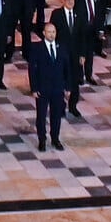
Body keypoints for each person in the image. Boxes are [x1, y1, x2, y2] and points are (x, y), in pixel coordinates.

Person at [28, 19, 69, 152]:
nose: (51, 34)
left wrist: (67, 87)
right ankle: (42, 140)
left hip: (57, 88)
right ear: (44, 33)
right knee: (41, 116)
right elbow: (32, 70)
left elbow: (67, 68)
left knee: (56, 115)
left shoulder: (61, 47)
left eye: (53, 32)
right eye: (49, 32)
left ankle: (55, 138)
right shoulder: (37, 48)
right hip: (42, 88)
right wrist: (34, 88)